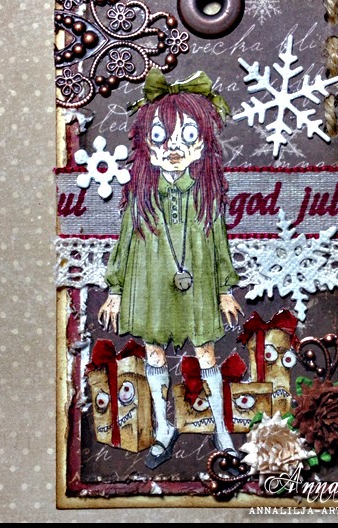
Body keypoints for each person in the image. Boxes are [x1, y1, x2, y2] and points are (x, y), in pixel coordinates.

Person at [98, 68, 242, 469]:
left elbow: (219, 243)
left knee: (206, 352)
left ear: (203, 143)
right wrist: (115, 291)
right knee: (155, 352)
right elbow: (124, 243)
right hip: (149, 284)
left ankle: (221, 429)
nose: (174, 146)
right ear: (146, 143)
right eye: (161, 136)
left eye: (188, 135)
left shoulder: (206, 194)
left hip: (198, 285)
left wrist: (225, 288)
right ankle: (165, 428)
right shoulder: (142, 196)